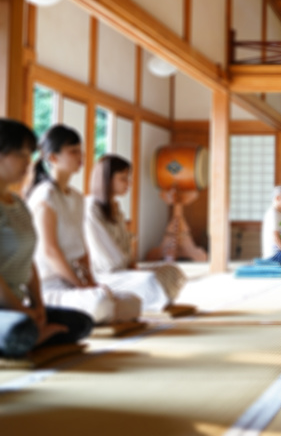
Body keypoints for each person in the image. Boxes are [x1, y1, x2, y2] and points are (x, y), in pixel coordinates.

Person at [26, 125, 141, 324]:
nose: (81, 156)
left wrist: (91, 283)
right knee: (101, 302)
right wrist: (81, 286)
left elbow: (82, 250)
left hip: (74, 286)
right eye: (73, 151)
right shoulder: (45, 195)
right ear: (53, 158)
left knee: (134, 302)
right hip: (50, 287)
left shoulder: (78, 198)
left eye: (81, 151)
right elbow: (50, 251)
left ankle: (87, 311)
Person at [0, 119, 92, 358]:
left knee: (82, 323)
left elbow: (28, 261)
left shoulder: (18, 204)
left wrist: (37, 305)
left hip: (18, 306)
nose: (28, 162)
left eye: (29, 154)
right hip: (8, 308)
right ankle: (32, 336)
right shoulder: (44, 196)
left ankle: (34, 335)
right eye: (21, 154)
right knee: (19, 330)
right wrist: (21, 310)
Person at [85, 155, 186, 312]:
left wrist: (133, 265)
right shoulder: (91, 209)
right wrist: (131, 268)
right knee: (149, 280)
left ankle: (144, 296)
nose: (129, 183)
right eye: (123, 178)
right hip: (106, 276)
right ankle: (140, 298)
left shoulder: (115, 208)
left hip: (124, 272)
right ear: (107, 180)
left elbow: (125, 245)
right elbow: (108, 257)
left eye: (128, 178)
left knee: (172, 271)